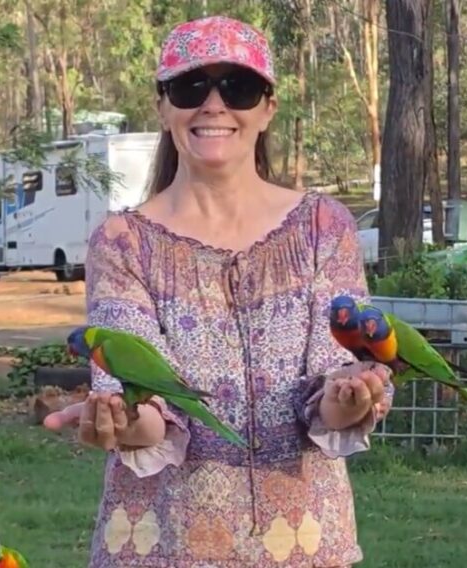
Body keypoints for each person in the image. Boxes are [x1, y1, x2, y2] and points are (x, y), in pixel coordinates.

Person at [43, 15, 394, 568]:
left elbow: (339, 379)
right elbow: (144, 403)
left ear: (267, 107)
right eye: (190, 87)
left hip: (303, 546)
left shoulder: (324, 227)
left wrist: (350, 397)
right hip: (158, 549)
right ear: (163, 107)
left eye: (238, 86)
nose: (213, 104)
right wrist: (121, 422)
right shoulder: (121, 243)